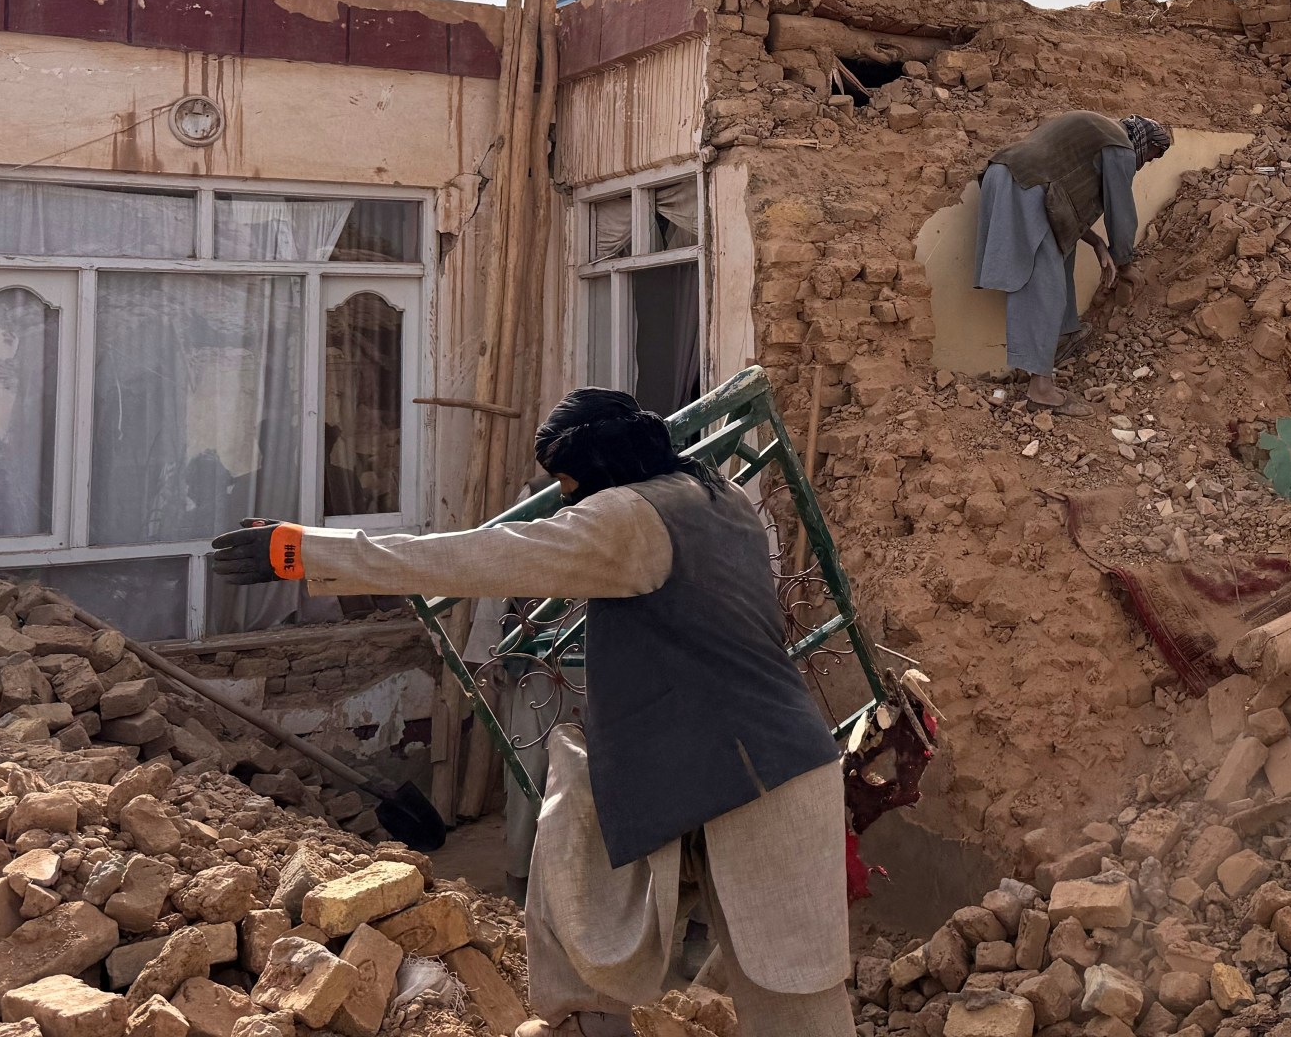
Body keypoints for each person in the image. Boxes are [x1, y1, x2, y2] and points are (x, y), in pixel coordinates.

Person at [207, 390, 849, 1036]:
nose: (564, 494)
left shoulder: (628, 518)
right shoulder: (721, 493)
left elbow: (469, 557)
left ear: (598, 464)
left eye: (565, 478)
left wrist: (305, 551)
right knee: (579, 903)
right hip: (698, 760)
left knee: (790, 986)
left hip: (756, 771)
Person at [974, 111, 1172, 415]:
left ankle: (1064, 335)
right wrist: (1125, 262)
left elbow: (1064, 203)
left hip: (1006, 175)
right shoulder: (1121, 145)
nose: (1148, 162)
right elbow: (1121, 210)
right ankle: (1040, 390)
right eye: (1154, 155)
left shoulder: (1096, 132)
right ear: (1146, 141)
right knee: (1043, 284)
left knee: (1060, 250)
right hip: (1026, 188)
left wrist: (1096, 244)